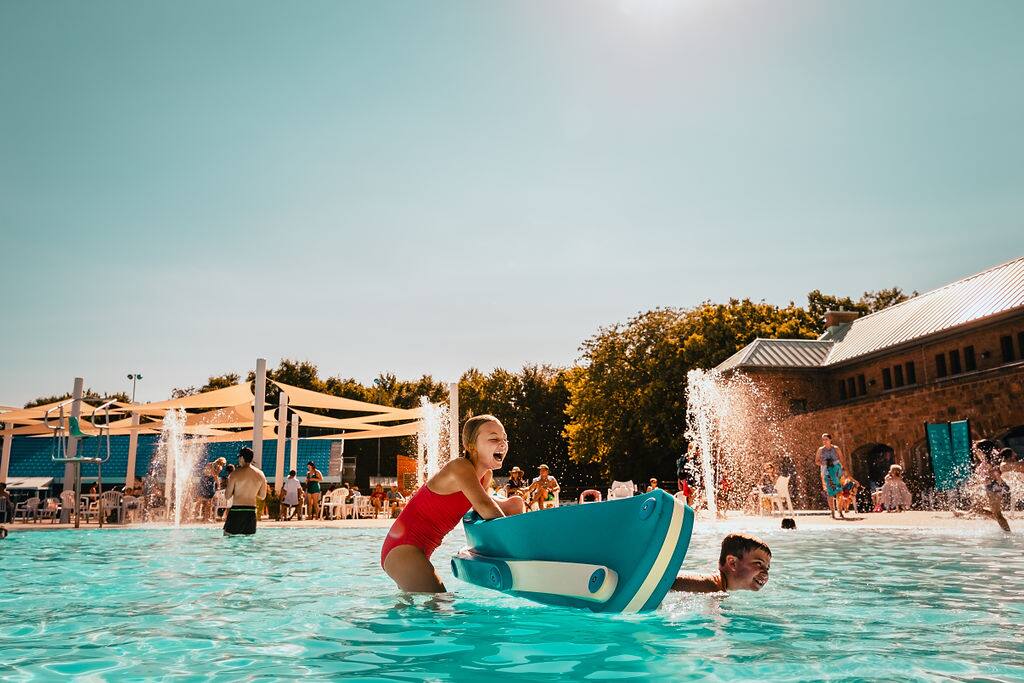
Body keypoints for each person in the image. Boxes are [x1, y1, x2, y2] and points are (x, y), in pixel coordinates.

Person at [381, 414, 526, 592]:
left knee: (418, 610)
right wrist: (522, 548)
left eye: (505, 439)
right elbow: (486, 508)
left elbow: (489, 507)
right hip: (403, 549)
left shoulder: (484, 476)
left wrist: (516, 504)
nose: (502, 444)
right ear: (470, 446)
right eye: (494, 438)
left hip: (416, 551)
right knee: (439, 604)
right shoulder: (461, 467)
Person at [672, 533, 771, 593]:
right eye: (758, 563)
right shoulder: (710, 586)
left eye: (767, 568)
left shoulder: (717, 587)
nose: (765, 574)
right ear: (733, 563)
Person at [223, 447, 267, 536]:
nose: (239, 460)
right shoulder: (260, 474)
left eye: (239, 457)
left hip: (237, 511)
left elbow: (227, 496)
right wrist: (253, 492)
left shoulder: (235, 474)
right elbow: (262, 496)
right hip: (251, 512)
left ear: (242, 458)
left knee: (229, 537)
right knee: (248, 541)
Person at [815, 433, 848, 519]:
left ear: (830, 440)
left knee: (839, 491)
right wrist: (823, 463)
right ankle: (832, 512)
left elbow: (842, 459)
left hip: (836, 470)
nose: (824, 441)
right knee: (830, 492)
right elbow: (816, 461)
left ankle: (840, 511)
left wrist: (844, 470)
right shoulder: (820, 450)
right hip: (826, 471)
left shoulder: (836, 448)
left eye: (826, 439)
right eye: (823, 440)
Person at [197, 458, 224, 522]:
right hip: (209, 483)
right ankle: (206, 518)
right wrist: (219, 485)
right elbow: (215, 475)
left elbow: (205, 473)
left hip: (204, 481)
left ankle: (203, 517)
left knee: (202, 501)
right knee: (209, 502)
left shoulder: (210, 464)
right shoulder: (218, 467)